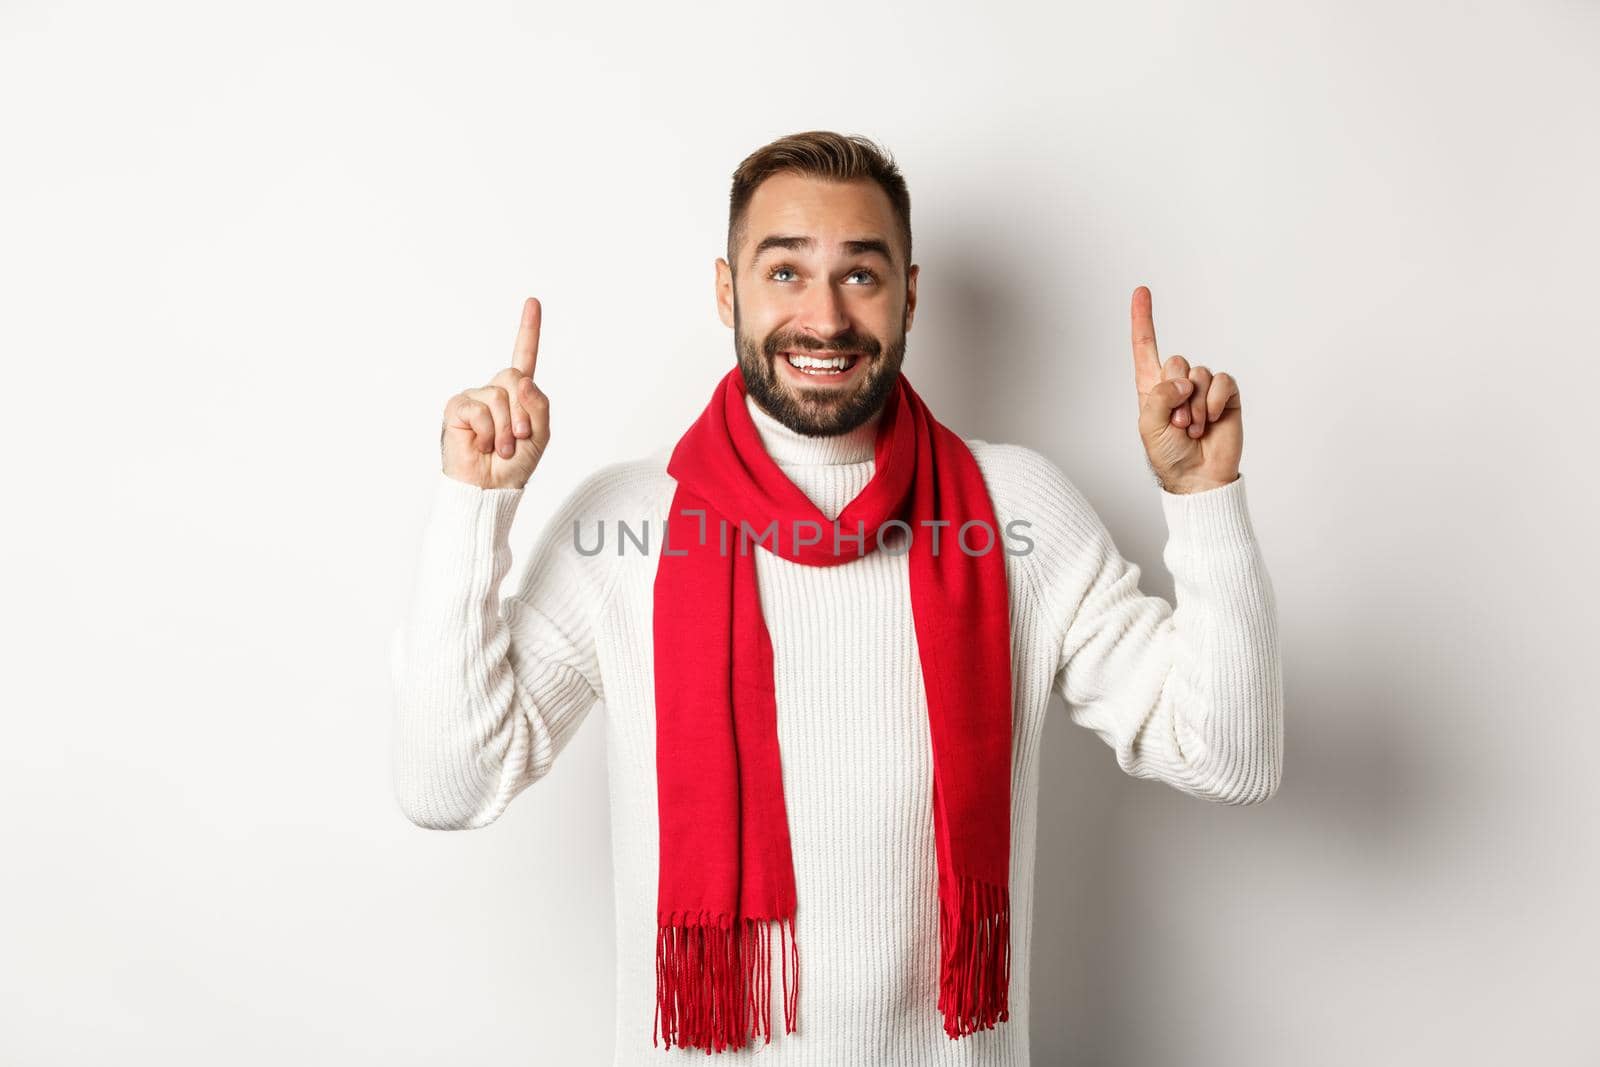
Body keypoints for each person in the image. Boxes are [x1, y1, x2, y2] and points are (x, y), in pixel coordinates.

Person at [390, 130, 1282, 1066]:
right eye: (784, 272)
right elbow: (449, 783)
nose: (824, 317)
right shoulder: (625, 525)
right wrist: (473, 504)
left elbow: (1231, 757)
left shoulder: (1019, 512)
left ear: (909, 295)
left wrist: (1204, 497)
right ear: (728, 290)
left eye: (861, 274)